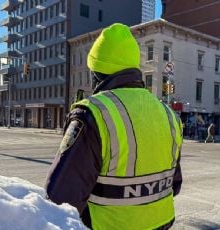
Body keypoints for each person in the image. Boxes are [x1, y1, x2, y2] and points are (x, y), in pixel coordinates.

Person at [45, 23, 183, 230]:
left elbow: (60, 196)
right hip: (161, 223)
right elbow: (175, 184)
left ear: (96, 73)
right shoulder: (168, 114)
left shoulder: (93, 113)